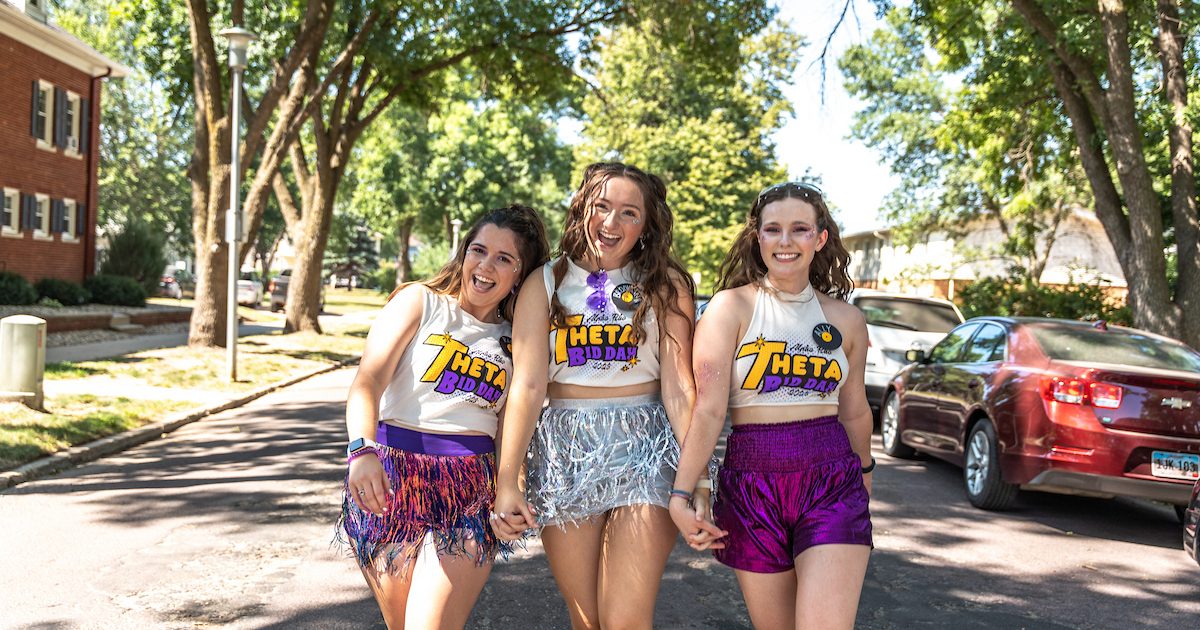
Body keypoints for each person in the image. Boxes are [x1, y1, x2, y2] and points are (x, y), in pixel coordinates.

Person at [492, 162, 699, 629]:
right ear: (582, 206)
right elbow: (526, 386)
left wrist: (697, 476)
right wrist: (508, 479)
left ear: (646, 225)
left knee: (625, 619)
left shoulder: (665, 284)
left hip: (645, 446)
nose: (611, 223)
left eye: (629, 213)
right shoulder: (542, 283)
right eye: (602, 206)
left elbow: (681, 386)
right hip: (564, 452)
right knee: (586, 620)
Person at [669, 182, 873, 629]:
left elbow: (855, 409)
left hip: (832, 479)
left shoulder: (846, 319)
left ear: (819, 239)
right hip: (752, 478)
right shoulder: (730, 308)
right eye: (773, 229)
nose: (785, 241)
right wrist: (683, 493)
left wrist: (866, 476)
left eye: (799, 229)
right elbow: (707, 409)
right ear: (757, 237)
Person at [337, 204, 550, 629]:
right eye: (478, 250)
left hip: (469, 487)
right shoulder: (420, 302)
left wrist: (513, 487)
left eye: (504, 259)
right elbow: (368, 382)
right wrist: (361, 451)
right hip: (390, 479)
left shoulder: (517, 339)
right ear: (463, 252)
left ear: (519, 277)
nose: (486, 265)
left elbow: (513, 424)